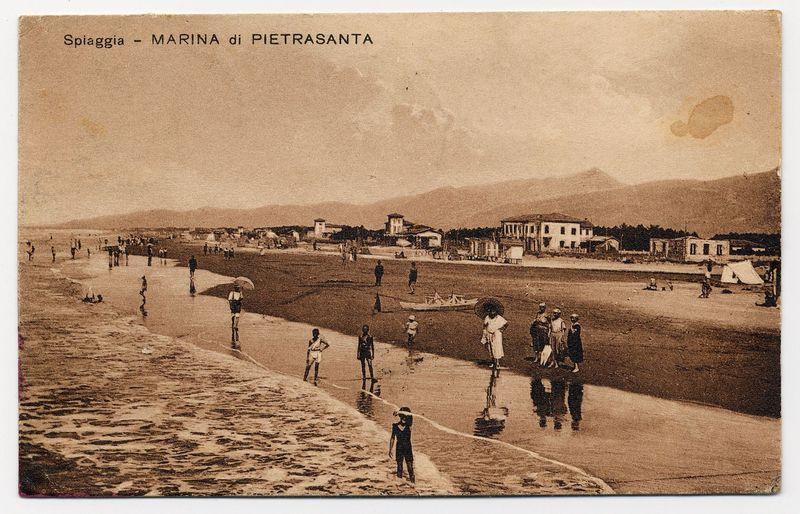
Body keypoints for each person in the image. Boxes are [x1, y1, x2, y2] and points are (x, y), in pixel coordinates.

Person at [389, 407, 415, 483]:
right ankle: (399, 485)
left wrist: (399, 412)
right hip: (399, 448)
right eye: (402, 417)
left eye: (405, 417)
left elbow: (411, 416)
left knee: (410, 468)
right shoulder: (395, 426)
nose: (404, 419)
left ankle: (413, 485)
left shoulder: (409, 426)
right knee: (399, 468)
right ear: (400, 417)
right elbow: (392, 438)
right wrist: (390, 450)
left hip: (408, 448)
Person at [482, 305, 508, 376]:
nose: (492, 313)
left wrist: (501, 329)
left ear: (496, 312)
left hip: (496, 335)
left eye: (493, 311)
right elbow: (484, 326)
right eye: (491, 311)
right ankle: (493, 362)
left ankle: (497, 363)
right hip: (489, 334)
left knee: (496, 348)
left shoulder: (499, 318)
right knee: (490, 348)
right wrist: (484, 334)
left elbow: (506, 324)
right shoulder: (487, 317)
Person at [228, 284, 243, 348]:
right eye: (237, 288)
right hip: (235, 306)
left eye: (238, 288)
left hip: (236, 307)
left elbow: (242, 298)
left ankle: (235, 327)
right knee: (234, 317)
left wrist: (241, 292)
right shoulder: (232, 293)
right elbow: (229, 300)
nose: (238, 289)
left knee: (236, 317)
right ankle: (234, 326)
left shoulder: (239, 293)